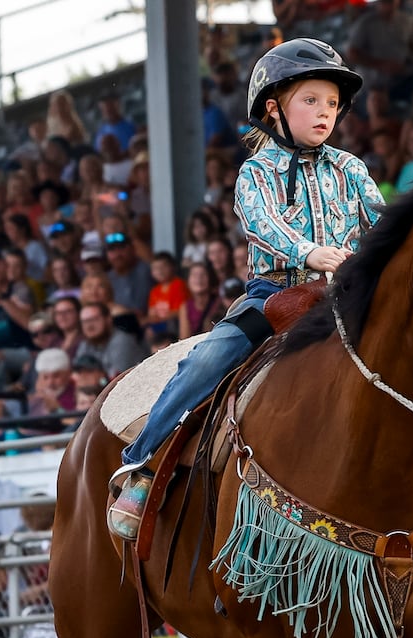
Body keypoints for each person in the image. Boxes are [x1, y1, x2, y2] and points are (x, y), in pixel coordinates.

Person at [108, 39, 383, 539]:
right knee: (208, 361)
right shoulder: (255, 172)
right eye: (311, 100)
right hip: (276, 296)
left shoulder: (353, 170)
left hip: (348, 295)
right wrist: (309, 252)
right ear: (274, 108)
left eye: (333, 103)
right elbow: (262, 224)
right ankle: (141, 463)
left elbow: (383, 226)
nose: (326, 113)